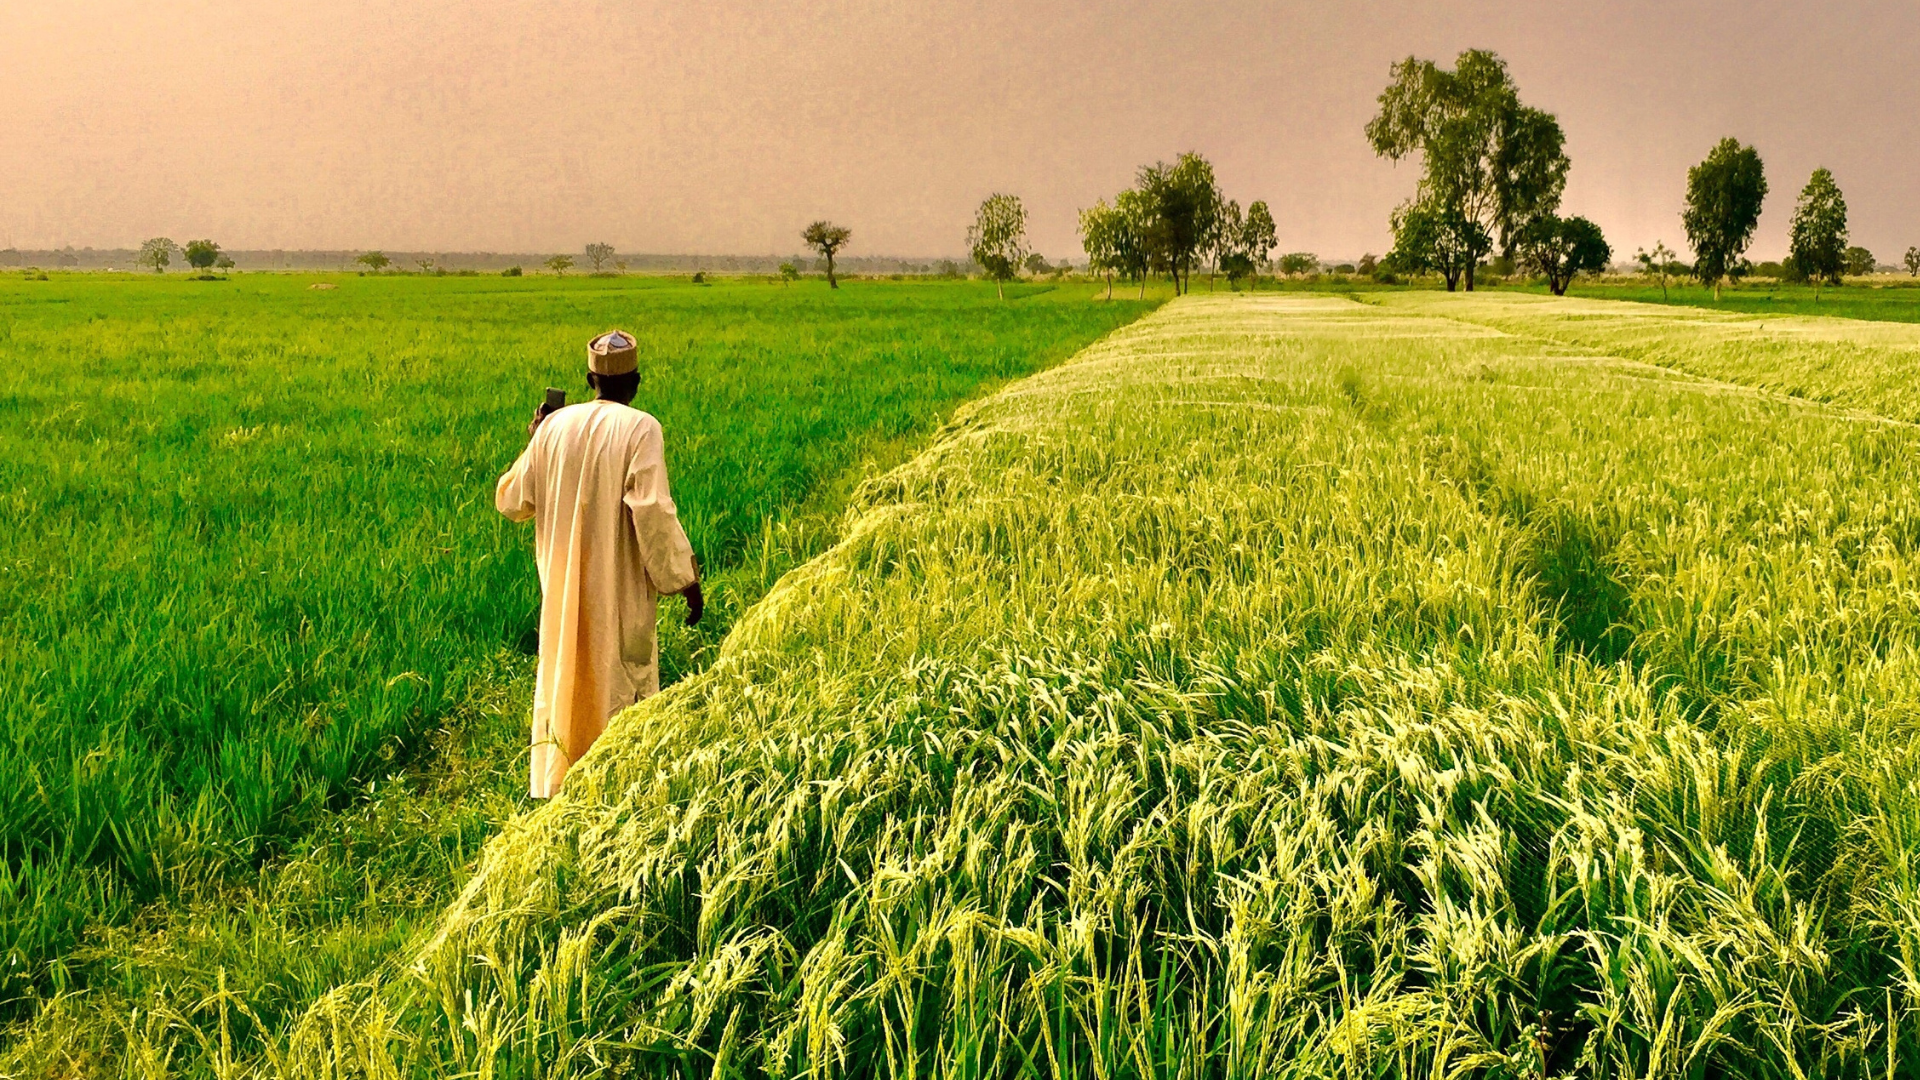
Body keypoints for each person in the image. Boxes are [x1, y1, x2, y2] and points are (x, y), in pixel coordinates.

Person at [495, 329, 703, 798]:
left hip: (564, 589)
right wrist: (685, 578)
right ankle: (618, 789)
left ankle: (562, 787)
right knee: (618, 678)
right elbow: (652, 511)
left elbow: (512, 500)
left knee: (566, 675)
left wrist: (535, 440)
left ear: (590, 378)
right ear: (637, 381)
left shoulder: (554, 427)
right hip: (618, 586)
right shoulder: (641, 428)